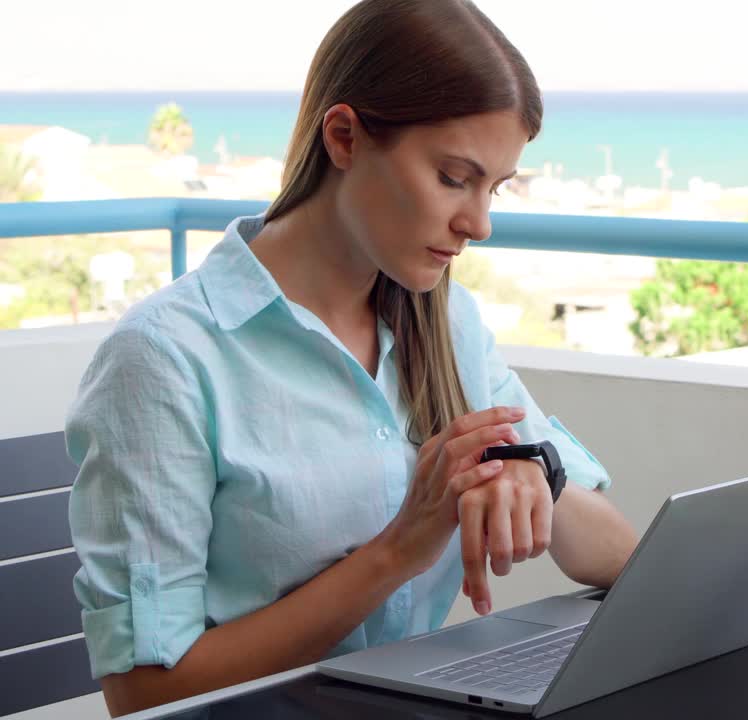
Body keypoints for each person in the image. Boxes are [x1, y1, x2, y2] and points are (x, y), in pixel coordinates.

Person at [65, 1, 639, 715]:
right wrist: (400, 549)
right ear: (344, 137)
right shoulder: (164, 361)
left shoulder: (447, 323)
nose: (480, 224)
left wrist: (535, 471)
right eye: (454, 178)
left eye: (494, 188)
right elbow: (145, 692)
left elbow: (620, 560)